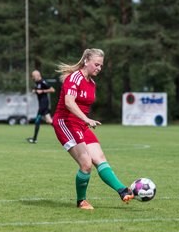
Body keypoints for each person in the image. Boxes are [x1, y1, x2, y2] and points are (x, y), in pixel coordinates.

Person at [52, 48, 134, 210]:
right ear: (86, 61)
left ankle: (122, 190)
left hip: (81, 124)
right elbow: (69, 103)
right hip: (65, 122)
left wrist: (85, 121)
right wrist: (86, 119)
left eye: (101, 66)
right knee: (86, 164)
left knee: (100, 158)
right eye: (96, 64)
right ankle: (81, 201)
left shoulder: (92, 83)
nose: (99, 68)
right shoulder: (74, 78)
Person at [27, 70, 55, 144]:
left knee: (37, 121)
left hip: (43, 104)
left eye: (33, 76)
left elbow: (52, 90)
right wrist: (35, 90)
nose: (33, 77)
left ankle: (34, 139)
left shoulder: (43, 82)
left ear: (38, 75)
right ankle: (63, 131)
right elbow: (38, 90)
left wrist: (42, 91)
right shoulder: (37, 82)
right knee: (49, 121)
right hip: (42, 104)